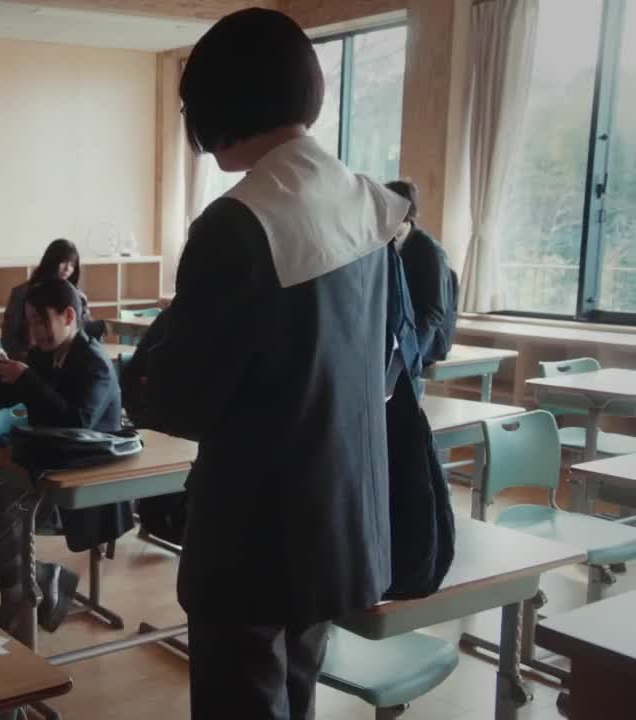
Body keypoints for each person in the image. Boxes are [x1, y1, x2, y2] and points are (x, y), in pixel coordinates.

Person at [129, 9, 410, 719]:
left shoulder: (239, 222)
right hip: (339, 521)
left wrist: (147, 365)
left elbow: (179, 402)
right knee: (296, 691)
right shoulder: (367, 203)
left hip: (252, 535)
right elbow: (381, 363)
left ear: (221, 103)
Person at [0, 277, 132, 632]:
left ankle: (32, 590)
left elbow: (76, 422)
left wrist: (27, 380)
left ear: (68, 316)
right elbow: (11, 399)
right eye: (30, 322)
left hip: (88, 472)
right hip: (50, 462)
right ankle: (38, 584)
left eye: (41, 320)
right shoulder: (45, 355)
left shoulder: (94, 362)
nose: (34, 332)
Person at [386, 179, 459, 366]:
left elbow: (433, 313)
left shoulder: (430, 250)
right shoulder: (385, 245)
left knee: (389, 369)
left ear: (406, 214)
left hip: (428, 338)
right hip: (398, 333)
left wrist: (411, 354)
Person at [1, 239, 106, 360]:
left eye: (72, 264)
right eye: (63, 262)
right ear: (51, 261)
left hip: (69, 361)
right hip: (29, 360)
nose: (67, 268)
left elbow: (85, 332)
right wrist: (26, 359)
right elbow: (9, 336)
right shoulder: (22, 293)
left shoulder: (78, 297)